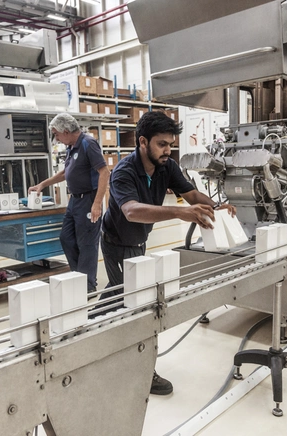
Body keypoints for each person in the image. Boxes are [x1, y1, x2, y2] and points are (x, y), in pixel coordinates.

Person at [100, 111, 236, 396]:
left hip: (138, 242)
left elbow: (191, 195)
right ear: (142, 142)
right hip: (116, 242)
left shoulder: (167, 166)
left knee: (117, 297)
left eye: (170, 144)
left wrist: (217, 206)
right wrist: (181, 212)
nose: (168, 150)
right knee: (132, 303)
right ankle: (140, 369)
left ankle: (93, 339)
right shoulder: (124, 172)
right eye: (161, 144)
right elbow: (132, 211)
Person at [29, 113, 109, 293]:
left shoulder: (88, 143)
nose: (56, 138)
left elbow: (104, 173)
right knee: (66, 238)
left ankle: (88, 286)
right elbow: (66, 173)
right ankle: (78, 276)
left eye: (57, 134)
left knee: (87, 243)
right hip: (75, 201)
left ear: (66, 131)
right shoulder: (71, 147)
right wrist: (42, 184)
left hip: (89, 200)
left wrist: (97, 204)